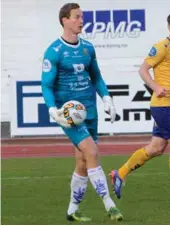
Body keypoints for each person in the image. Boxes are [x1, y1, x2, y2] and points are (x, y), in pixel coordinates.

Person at [110, 12, 170, 203]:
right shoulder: (161, 47)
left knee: (156, 147)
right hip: (162, 106)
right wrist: (155, 87)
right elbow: (143, 70)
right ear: (169, 26)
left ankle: (120, 173)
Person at [41, 3, 123, 222]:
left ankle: (72, 209)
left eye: (82, 17)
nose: (81, 21)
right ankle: (109, 205)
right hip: (71, 114)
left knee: (83, 162)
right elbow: (46, 85)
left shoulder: (88, 48)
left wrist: (107, 98)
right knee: (92, 151)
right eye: (77, 17)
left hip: (90, 110)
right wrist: (52, 109)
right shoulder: (54, 51)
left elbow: (96, 76)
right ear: (64, 20)